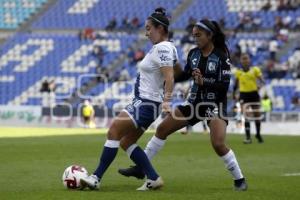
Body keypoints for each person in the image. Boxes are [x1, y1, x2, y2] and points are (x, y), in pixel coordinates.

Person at [119, 19, 248, 191]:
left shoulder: (221, 58)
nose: (195, 38)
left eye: (199, 35)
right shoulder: (193, 54)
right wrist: (164, 76)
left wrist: (204, 82)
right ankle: (141, 168)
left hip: (214, 104)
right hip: (193, 103)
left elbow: (224, 88)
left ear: (210, 35)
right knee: (162, 129)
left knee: (218, 144)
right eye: (193, 35)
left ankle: (239, 180)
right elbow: (184, 75)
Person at [79, 8, 178, 191]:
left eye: (149, 28)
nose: (146, 33)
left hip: (146, 102)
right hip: (149, 103)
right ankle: (153, 178)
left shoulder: (163, 48)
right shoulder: (166, 48)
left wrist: (167, 100)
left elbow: (170, 76)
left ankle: (95, 177)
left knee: (114, 131)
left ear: (160, 28)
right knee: (126, 142)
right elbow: (175, 71)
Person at [233, 53, 265, 144]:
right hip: (243, 95)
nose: (245, 60)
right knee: (246, 115)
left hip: (254, 94)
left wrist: (259, 86)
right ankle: (248, 137)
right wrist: (234, 95)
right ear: (240, 61)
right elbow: (235, 85)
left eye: (246, 58)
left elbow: (262, 81)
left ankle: (258, 134)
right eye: (243, 59)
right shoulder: (238, 72)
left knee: (257, 115)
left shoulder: (255, 70)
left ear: (249, 60)